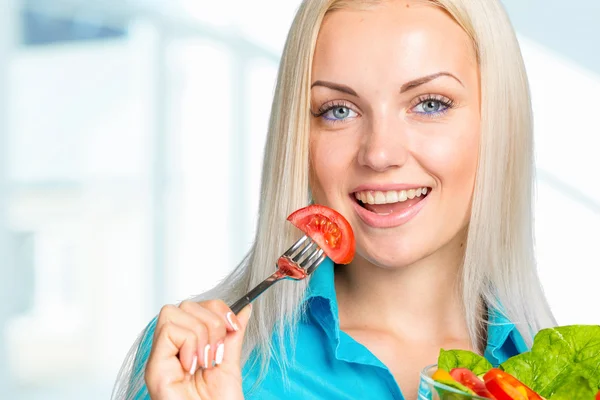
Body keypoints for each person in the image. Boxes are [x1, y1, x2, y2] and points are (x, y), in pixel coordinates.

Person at [112, 0, 556, 399]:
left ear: (498, 126)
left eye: (430, 103)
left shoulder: (552, 372)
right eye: (338, 110)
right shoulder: (198, 366)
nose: (380, 154)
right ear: (298, 139)